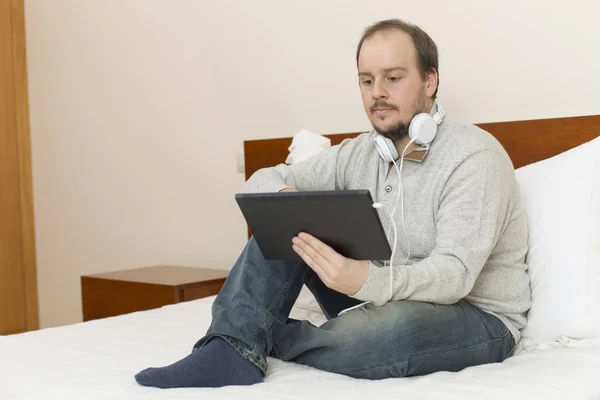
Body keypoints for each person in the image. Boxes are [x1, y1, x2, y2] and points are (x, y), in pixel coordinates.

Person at [134, 18, 531, 389]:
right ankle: (233, 348)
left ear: (430, 81)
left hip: (475, 316)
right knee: (284, 219)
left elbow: (455, 275)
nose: (377, 92)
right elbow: (263, 180)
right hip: (371, 293)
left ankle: (263, 334)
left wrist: (365, 281)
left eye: (393, 78)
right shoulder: (360, 153)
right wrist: (289, 204)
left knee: (384, 334)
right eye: (366, 80)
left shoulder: (474, 157)